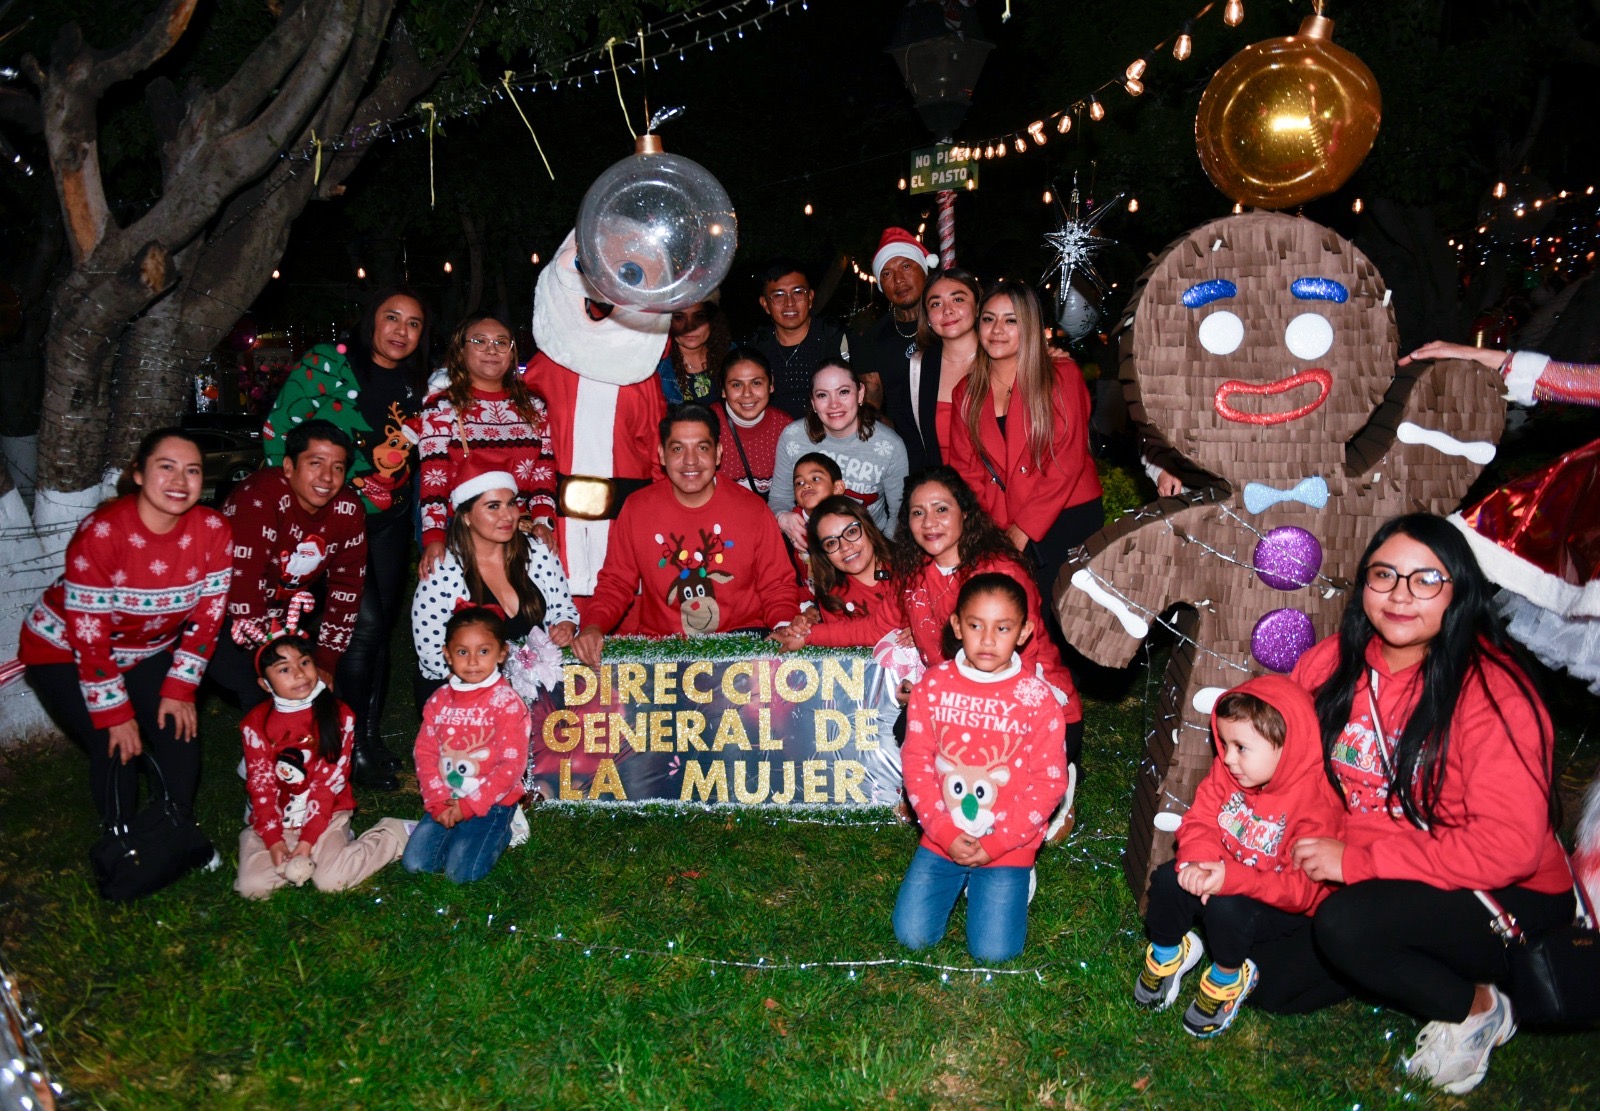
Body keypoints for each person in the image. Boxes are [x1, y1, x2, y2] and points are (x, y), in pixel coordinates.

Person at [1247, 513, 1574, 1095]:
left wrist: (1357, 864)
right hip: (1381, 869)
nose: (1400, 595)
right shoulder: (1332, 664)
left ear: (1461, 592)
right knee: (1272, 984)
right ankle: (1405, 953)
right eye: (1384, 575)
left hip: (1503, 895)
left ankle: (1478, 1007)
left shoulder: (1495, 693)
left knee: (1346, 927)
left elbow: (1508, 848)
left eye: (1426, 580)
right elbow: (1288, 767)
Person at [21, 428, 232, 837]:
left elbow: (208, 618)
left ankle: (173, 830)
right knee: (114, 742)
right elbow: (88, 635)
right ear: (138, 473)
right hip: (62, 647)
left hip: (144, 648)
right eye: (165, 467)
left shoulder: (213, 531)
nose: (179, 481)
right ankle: (122, 843)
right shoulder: (102, 532)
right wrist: (115, 714)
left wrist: (179, 688)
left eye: (191, 470)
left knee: (178, 728)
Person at [263, 286, 433, 789]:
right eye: (392, 318)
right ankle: (341, 745)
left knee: (377, 637)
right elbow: (279, 436)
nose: (401, 331)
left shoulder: (417, 382)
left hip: (389, 521)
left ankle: (369, 739)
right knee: (365, 625)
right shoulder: (327, 363)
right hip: (336, 523)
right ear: (371, 321)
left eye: (414, 323)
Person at [1134, 677, 1343, 1038]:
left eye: (1241, 747)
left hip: (1277, 905)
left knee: (1227, 908)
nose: (1227, 758)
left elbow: (1300, 892)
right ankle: (1169, 952)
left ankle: (1228, 977)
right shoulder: (1231, 773)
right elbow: (1200, 819)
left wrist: (1231, 878)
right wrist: (1197, 861)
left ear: (1287, 747)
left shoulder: (1316, 805)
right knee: (1169, 878)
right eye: (1225, 744)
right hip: (1224, 873)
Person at [892, 572, 1070, 962]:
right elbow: (917, 763)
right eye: (975, 625)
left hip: (1009, 841)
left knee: (994, 953)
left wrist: (997, 844)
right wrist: (942, 831)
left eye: (1002, 628)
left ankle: (1010, 878)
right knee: (911, 936)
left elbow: (1049, 783)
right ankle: (956, 872)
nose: (987, 640)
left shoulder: (1038, 699)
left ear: (1024, 632)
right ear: (957, 625)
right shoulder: (933, 686)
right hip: (944, 835)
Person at [571, 405, 801, 665]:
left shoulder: (752, 509)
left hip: (742, 645)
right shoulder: (638, 508)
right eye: (678, 449)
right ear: (661, 455)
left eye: (702, 448)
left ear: (718, 454)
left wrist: (784, 625)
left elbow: (777, 586)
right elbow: (616, 582)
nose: (690, 461)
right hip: (662, 651)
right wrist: (592, 626)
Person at [892, 467, 1084, 771]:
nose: (929, 522)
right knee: (906, 730)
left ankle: (1057, 773)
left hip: (1025, 705)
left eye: (941, 509)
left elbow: (1021, 669)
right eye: (918, 512)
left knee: (983, 766)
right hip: (959, 697)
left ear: (965, 513)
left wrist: (938, 695)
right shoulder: (917, 574)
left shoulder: (999, 576)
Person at [947, 280, 1102, 608]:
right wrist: (993, 531)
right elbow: (966, 471)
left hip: (1066, 516)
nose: (997, 329)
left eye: (1011, 320)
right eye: (988, 319)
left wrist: (1024, 528)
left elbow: (1068, 460)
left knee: (1070, 621)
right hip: (1001, 524)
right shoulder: (966, 393)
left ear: (1029, 325)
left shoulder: (1060, 375)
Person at [234, 614, 409, 899]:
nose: (299, 674)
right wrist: (274, 841)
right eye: (284, 669)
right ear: (265, 684)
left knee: (331, 881)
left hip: (326, 813)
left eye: (304, 663)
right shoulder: (256, 723)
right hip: (279, 817)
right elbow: (261, 785)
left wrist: (306, 842)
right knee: (253, 887)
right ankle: (283, 847)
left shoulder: (339, 715)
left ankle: (392, 834)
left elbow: (327, 787)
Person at [209, 420, 366, 720]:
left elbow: (348, 589)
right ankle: (262, 760)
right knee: (268, 700)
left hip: (285, 618)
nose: (327, 477)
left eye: (337, 467)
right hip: (220, 617)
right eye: (315, 463)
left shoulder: (348, 510)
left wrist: (325, 662)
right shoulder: (258, 499)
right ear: (289, 466)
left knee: (322, 696)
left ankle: (322, 761)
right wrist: (282, 661)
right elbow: (242, 588)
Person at [411, 462, 578, 708]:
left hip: (535, 683)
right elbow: (430, 652)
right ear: (466, 516)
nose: (508, 516)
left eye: (511, 503)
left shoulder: (539, 552)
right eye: (493, 506)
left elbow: (565, 609)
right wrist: (481, 691)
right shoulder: (443, 569)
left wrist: (566, 625)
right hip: (462, 688)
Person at [417, 312, 557, 579]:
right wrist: (433, 536)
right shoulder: (441, 408)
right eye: (479, 341)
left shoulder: (534, 407)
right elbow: (433, 478)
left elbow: (544, 471)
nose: (491, 350)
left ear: (512, 352)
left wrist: (542, 520)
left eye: (501, 342)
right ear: (461, 350)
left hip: (520, 530)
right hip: (463, 534)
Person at [405, 606, 531, 885]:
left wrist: (469, 807)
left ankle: (506, 829)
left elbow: (511, 767)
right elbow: (425, 753)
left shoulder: (507, 703)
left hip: (492, 800)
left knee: (462, 875)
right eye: (463, 652)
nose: (473, 661)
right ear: (448, 654)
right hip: (447, 796)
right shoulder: (438, 700)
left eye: (483, 651)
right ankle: (458, 832)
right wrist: (437, 802)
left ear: (501, 653)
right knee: (415, 865)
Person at [767, 362, 910, 539]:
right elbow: (779, 498)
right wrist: (783, 518)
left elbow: (900, 512)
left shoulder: (890, 445)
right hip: (811, 549)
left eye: (843, 392)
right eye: (822, 395)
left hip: (871, 546)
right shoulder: (793, 437)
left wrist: (882, 556)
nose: (834, 404)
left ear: (860, 393)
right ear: (812, 402)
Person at [775, 496, 905, 649]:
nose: (845, 546)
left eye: (851, 532)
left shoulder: (905, 569)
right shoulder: (833, 598)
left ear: (868, 527)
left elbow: (883, 627)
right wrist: (802, 631)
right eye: (831, 543)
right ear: (823, 554)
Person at [897, 267, 983, 472]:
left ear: (978, 306)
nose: (947, 310)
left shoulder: (1002, 359)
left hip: (998, 493)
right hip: (942, 492)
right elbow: (914, 447)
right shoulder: (917, 369)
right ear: (927, 316)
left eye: (958, 299)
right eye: (936, 304)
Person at [853, 228, 938, 416]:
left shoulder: (949, 325)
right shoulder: (871, 338)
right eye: (887, 274)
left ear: (924, 271)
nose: (899, 280)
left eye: (906, 267)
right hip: (901, 441)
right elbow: (871, 398)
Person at [746, 257, 846, 415]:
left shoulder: (837, 340)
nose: (789, 303)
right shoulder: (756, 350)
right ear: (765, 304)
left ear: (810, 298)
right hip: (775, 436)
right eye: (779, 295)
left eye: (798, 292)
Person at [710, 348, 792, 500]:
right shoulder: (705, 425)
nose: (747, 393)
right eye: (736, 385)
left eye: (756, 383)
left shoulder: (786, 428)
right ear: (723, 389)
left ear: (771, 384)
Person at [782, 452, 847, 586]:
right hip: (806, 594)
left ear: (838, 487)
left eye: (815, 479)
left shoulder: (850, 519)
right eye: (798, 483)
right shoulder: (791, 527)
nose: (805, 485)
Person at [656, 299, 732, 405]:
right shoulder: (656, 368)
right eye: (679, 318)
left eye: (699, 317)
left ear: (712, 320)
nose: (689, 327)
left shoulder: (732, 355)